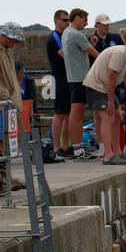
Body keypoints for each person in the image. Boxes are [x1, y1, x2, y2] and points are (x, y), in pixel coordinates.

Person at [83, 36, 126, 165]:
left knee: (117, 117)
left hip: (105, 86)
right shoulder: (120, 54)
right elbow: (111, 76)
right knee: (108, 118)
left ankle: (118, 152)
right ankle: (108, 155)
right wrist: (110, 100)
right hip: (97, 85)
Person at [61, 10, 97, 160]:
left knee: (76, 113)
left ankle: (77, 148)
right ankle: (77, 149)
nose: (87, 23)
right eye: (85, 19)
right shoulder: (76, 34)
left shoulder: (66, 33)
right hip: (79, 78)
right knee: (77, 112)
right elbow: (95, 54)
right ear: (77, 18)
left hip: (73, 78)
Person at [0, 23, 27, 189]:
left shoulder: (7, 50)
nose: (15, 43)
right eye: (13, 39)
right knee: (1, 143)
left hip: (8, 105)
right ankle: (4, 179)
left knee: (7, 143)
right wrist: (6, 97)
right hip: (3, 103)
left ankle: (6, 178)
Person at [44, 11, 72, 160]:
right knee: (60, 113)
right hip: (59, 77)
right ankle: (56, 147)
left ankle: (65, 146)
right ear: (56, 21)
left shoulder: (65, 36)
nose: (67, 22)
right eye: (64, 20)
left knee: (68, 114)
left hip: (68, 77)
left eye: (69, 20)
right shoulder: (54, 37)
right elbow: (65, 54)